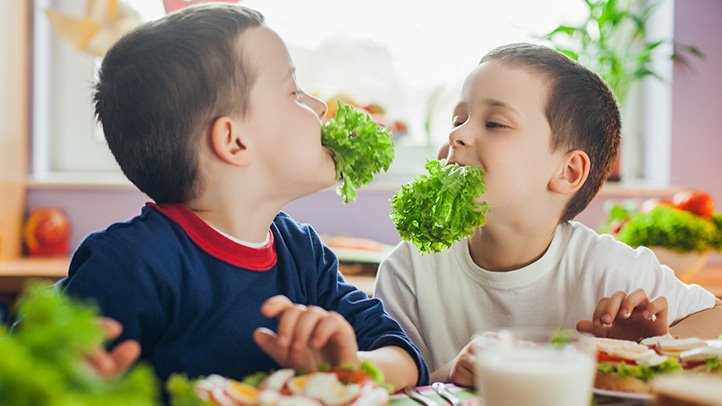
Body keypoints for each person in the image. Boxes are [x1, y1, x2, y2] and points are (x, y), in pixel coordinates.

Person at [58, 3, 427, 390]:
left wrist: (347, 364)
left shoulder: (302, 252)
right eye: (294, 92)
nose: (319, 106)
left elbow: (404, 356)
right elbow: (41, 368)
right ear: (234, 141)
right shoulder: (130, 265)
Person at [374, 43, 722, 386]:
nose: (456, 134)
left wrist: (651, 349)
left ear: (568, 172)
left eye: (494, 123)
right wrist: (448, 374)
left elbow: (715, 318)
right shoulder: (409, 271)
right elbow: (384, 387)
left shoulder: (607, 267)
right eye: (459, 118)